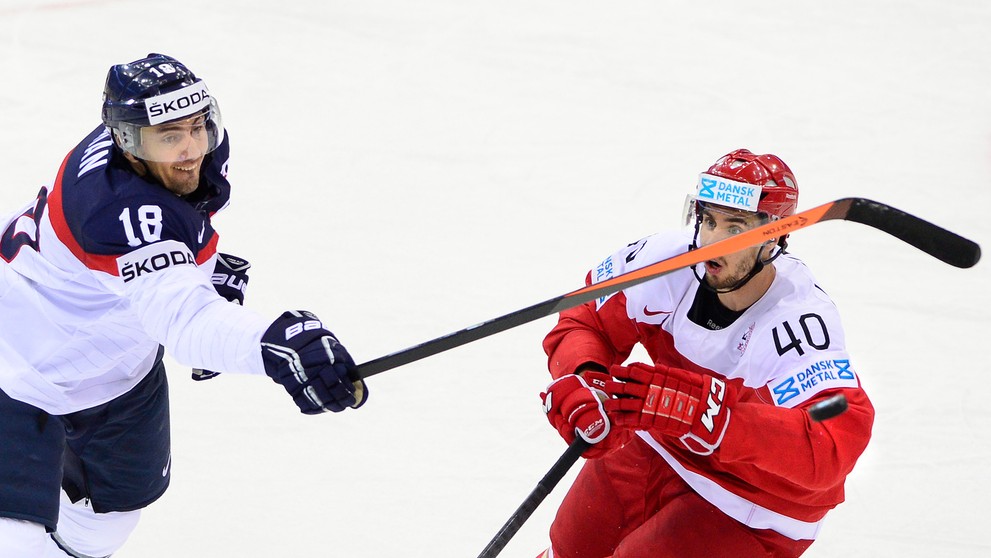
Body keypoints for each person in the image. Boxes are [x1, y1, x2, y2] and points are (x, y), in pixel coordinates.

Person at [0, 53, 369, 557]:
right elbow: (186, 323)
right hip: (16, 366)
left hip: (118, 370)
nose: (191, 149)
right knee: (18, 545)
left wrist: (201, 269)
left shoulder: (166, 157)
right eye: (170, 136)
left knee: (103, 528)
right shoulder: (119, 210)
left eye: (198, 127)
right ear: (128, 142)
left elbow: (164, 251)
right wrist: (275, 345)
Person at [538, 149, 874, 558]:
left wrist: (713, 415)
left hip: (754, 502)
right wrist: (585, 376)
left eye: (735, 229)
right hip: (662, 445)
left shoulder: (797, 322)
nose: (712, 242)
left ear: (773, 237)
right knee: (571, 545)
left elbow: (831, 442)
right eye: (709, 221)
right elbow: (587, 316)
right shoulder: (665, 263)